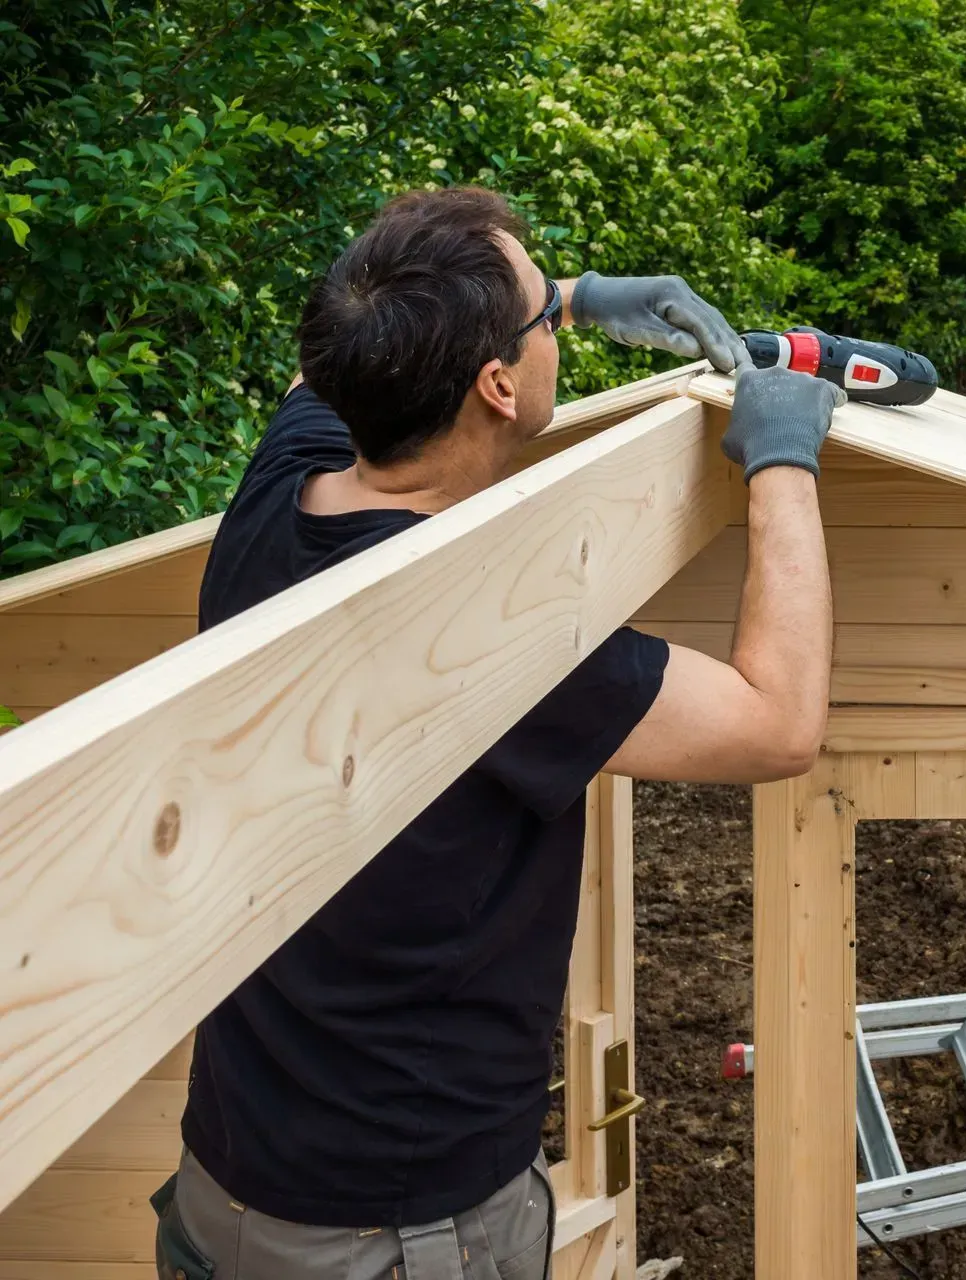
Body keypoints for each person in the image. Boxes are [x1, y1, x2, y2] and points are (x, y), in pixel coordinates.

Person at [150, 187, 841, 1280]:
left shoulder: (277, 499)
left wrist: (567, 295)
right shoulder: (486, 630)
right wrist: (784, 462)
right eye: (546, 323)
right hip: (397, 1234)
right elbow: (777, 721)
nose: (560, 324)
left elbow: (339, 351)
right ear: (497, 385)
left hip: (224, 1185)